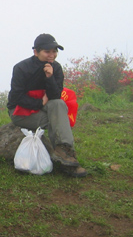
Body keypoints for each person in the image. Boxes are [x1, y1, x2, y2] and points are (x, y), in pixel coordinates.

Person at [7, 34, 87, 178]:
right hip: (20, 112)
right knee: (58, 121)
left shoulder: (55, 68)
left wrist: (49, 77)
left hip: (46, 107)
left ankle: (64, 150)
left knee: (59, 104)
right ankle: (67, 162)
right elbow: (15, 98)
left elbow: (56, 95)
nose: (52, 55)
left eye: (54, 51)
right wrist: (40, 103)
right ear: (36, 52)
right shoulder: (21, 68)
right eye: (47, 51)